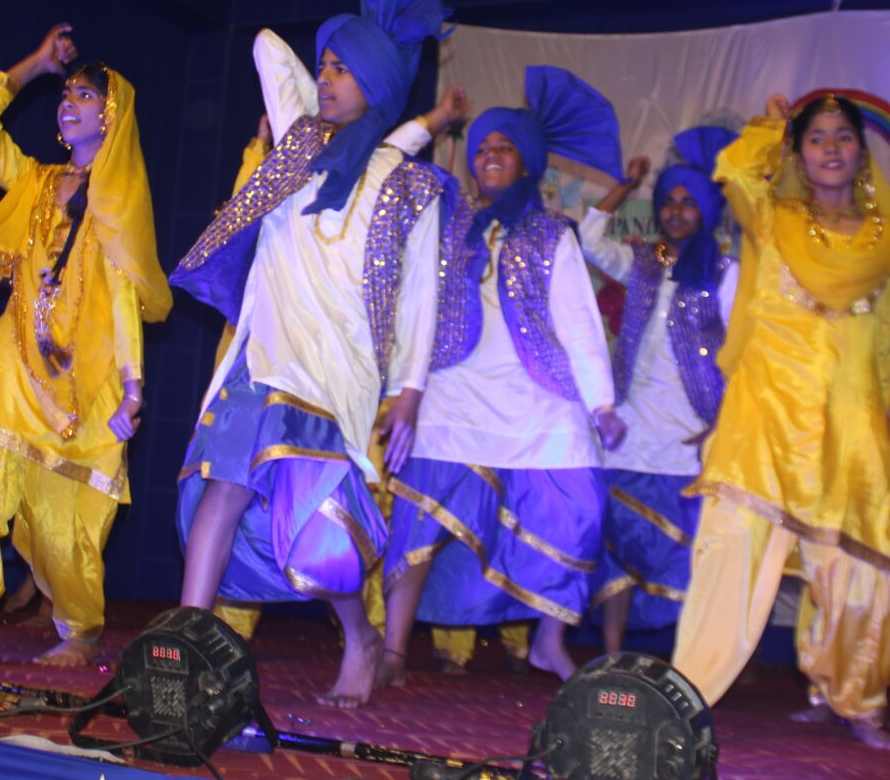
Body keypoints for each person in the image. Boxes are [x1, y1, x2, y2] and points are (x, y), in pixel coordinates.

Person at [171, 0, 449, 709]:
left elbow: (420, 298)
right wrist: (347, 39)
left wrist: (409, 390)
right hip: (264, 355)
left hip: (338, 372)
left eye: (342, 69)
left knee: (318, 531)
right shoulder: (296, 146)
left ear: (379, 84)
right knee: (222, 483)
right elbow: (266, 45)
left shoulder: (410, 185)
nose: (324, 79)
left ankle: (359, 636)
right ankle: (187, 646)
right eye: (322, 66)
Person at [0, 24, 172, 668]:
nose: (69, 102)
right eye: (66, 93)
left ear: (112, 117)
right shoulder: (32, 181)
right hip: (12, 358)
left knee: (64, 517)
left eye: (86, 95)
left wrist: (133, 387)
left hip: (82, 377)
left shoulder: (118, 201)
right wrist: (35, 65)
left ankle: (80, 630)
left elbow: (123, 299)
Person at [377, 65, 627, 689]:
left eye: (504, 147)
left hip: (536, 394)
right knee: (418, 517)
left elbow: (579, 321)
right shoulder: (446, 219)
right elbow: (387, 176)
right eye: (482, 147)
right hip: (452, 391)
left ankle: (548, 641)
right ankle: (393, 651)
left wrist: (601, 405)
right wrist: (405, 393)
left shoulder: (552, 233)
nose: (490, 155)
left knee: (580, 501)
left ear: (527, 164)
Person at [672, 93, 890, 749]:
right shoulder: (771, 217)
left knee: (856, 569)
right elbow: (736, 169)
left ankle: (850, 696)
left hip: (849, 422)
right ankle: (684, 694)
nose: (830, 147)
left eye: (842, 136)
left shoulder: (884, 238)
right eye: (815, 137)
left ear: (861, 154)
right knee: (729, 555)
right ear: (798, 152)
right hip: (764, 419)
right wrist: (773, 125)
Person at [580, 128, 738, 652]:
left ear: (707, 211)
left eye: (689, 202)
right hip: (631, 427)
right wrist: (624, 188)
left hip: (690, 434)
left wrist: (721, 427)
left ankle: (688, 658)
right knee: (619, 540)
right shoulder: (644, 262)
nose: (676, 211)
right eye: (669, 201)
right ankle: (611, 652)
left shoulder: (727, 274)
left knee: (689, 552)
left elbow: (742, 356)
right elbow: (588, 240)